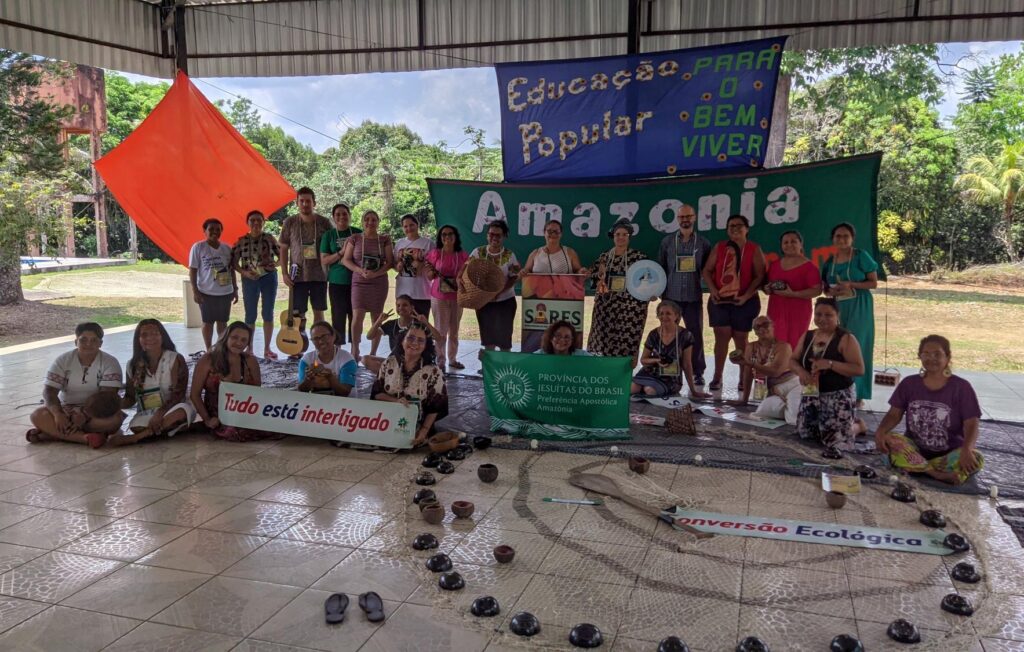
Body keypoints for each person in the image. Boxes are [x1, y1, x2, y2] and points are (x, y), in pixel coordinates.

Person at [874, 335, 983, 485]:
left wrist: (967, 450)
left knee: (977, 458)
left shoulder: (962, 387)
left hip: (949, 454)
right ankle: (935, 473)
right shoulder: (909, 383)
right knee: (889, 439)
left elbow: (971, 423)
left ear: (948, 357)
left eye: (937, 354)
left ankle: (916, 467)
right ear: (919, 356)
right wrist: (880, 432)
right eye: (926, 354)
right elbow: (894, 414)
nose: (931, 358)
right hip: (914, 449)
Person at [27, 322, 124, 448]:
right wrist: (58, 414)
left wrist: (85, 415)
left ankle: (51, 435)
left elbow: (107, 396)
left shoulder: (110, 362)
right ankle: (84, 438)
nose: (88, 344)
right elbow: (49, 391)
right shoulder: (63, 360)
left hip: (96, 413)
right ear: (75, 342)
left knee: (115, 420)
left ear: (100, 343)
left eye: (94, 340)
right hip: (66, 410)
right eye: (83, 340)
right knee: (37, 415)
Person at [790, 298, 865, 458]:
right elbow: (792, 360)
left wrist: (830, 364)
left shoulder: (846, 339)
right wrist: (801, 372)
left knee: (835, 442)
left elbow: (859, 369)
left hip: (838, 396)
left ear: (837, 316)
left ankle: (857, 426)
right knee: (806, 434)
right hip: (811, 393)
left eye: (828, 315)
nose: (822, 319)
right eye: (818, 314)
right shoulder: (808, 335)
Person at [702, 214, 766, 392]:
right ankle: (717, 377)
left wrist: (746, 296)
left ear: (747, 229)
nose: (735, 228)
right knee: (721, 337)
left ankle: (743, 377)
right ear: (727, 230)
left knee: (741, 338)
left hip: (745, 301)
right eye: (731, 226)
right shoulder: (720, 247)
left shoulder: (754, 248)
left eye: (739, 225)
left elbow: (760, 276)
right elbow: (707, 270)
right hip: (720, 300)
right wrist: (713, 290)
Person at [820, 222, 878, 403]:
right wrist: (831, 291)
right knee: (837, 345)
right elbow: (825, 288)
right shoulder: (830, 261)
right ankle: (838, 390)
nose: (842, 239)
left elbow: (873, 283)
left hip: (859, 305)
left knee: (858, 344)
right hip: (837, 307)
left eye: (846, 236)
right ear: (832, 239)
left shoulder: (861, 256)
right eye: (838, 236)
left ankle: (858, 394)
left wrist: (851, 284)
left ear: (852, 238)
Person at [114, 319, 196, 446]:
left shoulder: (174, 358)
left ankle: (138, 437)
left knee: (182, 412)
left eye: (155, 333)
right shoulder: (132, 365)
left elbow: (178, 395)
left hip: (172, 409)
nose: (150, 338)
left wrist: (160, 413)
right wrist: (113, 403)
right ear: (138, 340)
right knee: (135, 425)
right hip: (148, 412)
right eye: (144, 335)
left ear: (162, 336)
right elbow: (130, 398)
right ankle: (165, 430)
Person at [190, 321, 275, 442]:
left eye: (244, 340)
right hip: (218, 414)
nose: (239, 343)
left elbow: (256, 393)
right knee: (235, 431)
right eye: (235, 337)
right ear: (226, 337)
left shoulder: (250, 361)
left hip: (244, 411)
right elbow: (194, 394)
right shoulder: (208, 360)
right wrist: (207, 419)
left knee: (277, 425)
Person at [659, 204, 712, 386]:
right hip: (671, 298)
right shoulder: (667, 242)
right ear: (677, 219)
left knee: (695, 334)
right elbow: (661, 268)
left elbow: (708, 270)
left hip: (693, 297)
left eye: (688, 216)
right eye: (682, 217)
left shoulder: (703, 243)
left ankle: (698, 372)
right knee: (668, 334)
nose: (685, 220)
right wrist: (662, 296)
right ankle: (667, 369)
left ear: (694, 217)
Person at [371, 324, 449, 447]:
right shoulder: (389, 363)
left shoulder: (433, 372)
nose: (415, 343)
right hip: (385, 423)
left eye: (421, 340)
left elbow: (436, 406)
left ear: (426, 346)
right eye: (410, 338)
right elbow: (376, 394)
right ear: (402, 340)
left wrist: (423, 431)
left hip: (418, 427)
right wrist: (395, 401)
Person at [588, 219, 649, 363]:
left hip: (630, 311)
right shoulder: (604, 257)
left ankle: (623, 373)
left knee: (626, 345)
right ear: (613, 236)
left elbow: (647, 281)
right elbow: (594, 279)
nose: (621, 237)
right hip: (606, 308)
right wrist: (598, 278)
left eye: (624, 234)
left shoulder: (639, 258)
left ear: (629, 237)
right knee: (602, 344)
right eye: (618, 234)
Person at [344, 210, 395, 363]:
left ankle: (373, 352)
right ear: (362, 221)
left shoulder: (384, 239)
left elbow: (390, 262)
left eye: (373, 219)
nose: (370, 222)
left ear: (378, 222)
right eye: (367, 219)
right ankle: (355, 349)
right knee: (357, 316)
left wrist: (376, 274)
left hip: (378, 283)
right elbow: (346, 260)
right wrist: (360, 271)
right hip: (359, 282)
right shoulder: (355, 238)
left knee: (376, 318)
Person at [631, 301, 710, 399]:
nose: (664, 316)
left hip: (671, 378)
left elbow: (687, 364)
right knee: (632, 389)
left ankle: (646, 391)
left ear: (676, 316)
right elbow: (643, 360)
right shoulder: (653, 334)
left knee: (650, 390)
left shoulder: (685, 335)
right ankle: (643, 390)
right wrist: (657, 360)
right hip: (650, 373)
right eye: (661, 314)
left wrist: (693, 390)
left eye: (668, 313)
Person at [730, 315, 801, 425]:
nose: (762, 328)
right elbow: (748, 374)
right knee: (762, 411)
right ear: (754, 331)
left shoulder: (784, 347)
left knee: (792, 419)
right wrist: (744, 400)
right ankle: (796, 407)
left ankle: (798, 406)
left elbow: (775, 372)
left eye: (765, 324)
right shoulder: (751, 347)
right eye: (757, 327)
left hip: (793, 385)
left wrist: (750, 363)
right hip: (774, 390)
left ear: (772, 326)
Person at [279, 187, 333, 326]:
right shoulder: (289, 222)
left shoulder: (324, 222)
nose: (305, 204)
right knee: (298, 315)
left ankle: (319, 339)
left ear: (314, 203)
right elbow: (283, 248)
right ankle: (300, 340)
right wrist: (284, 273)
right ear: (297, 203)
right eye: (301, 201)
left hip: (319, 275)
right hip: (297, 276)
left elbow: (332, 246)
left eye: (308, 201)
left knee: (319, 313)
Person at [232, 210, 280, 358]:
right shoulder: (241, 241)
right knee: (250, 315)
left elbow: (283, 256)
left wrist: (275, 265)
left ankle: (267, 348)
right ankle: (249, 348)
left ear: (263, 222)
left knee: (268, 312)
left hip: (268, 278)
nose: (256, 223)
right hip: (249, 279)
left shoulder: (270, 238)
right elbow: (234, 262)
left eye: (259, 220)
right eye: (252, 220)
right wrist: (244, 273)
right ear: (247, 222)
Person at [764, 230, 821, 350]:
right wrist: (767, 289)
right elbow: (768, 285)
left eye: (793, 241)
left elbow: (817, 290)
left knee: (794, 346)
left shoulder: (809, 267)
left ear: (801, 244)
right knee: (774, 345)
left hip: (798, 313)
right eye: (786, 242)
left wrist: (793, 294)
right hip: (775, 310)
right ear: (781, 246)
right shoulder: (774, 265)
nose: (789, 244)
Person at [469, 220, 520, 354]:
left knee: (504, 340)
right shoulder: (477, 252)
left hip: (505, 302)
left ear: (504, 237)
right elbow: (466, 271)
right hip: (484, 303)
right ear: (487, 235)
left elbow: (514, 277)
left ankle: (504, 365)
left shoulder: (510, 255)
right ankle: (489, 365)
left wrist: (498, 292)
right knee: (488, 339)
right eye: (491, 234)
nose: (494, 238)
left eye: (498, 235)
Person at [425, 225, 469, 372]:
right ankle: (440, 360)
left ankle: (453, 359)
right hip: (439, 297)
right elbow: (429, 276)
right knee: (440, 331)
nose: (447, 237)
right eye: (444, 234)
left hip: (457, 297)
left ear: (456, 236)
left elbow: (467, 275)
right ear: (440, 237)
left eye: (450, 234)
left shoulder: (463, 255)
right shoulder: (435, 253)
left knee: (454, 331)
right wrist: (431, 273)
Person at [189, 218, 237, 352]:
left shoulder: (227, 248)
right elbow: (193, 270)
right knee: (207, 322)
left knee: (222, 322)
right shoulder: (198, 247)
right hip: (206, 292)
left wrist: (235, 289)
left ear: (222, 231)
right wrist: (195, 291)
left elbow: (232, 270)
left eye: (218, 229)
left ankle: (221, 348)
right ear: (204, 231)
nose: (215, 232)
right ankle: (209, 349)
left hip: (225, 292)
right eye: (211, 229)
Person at [363, 294, 441, 374]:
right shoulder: (392, 324)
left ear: (412, 308)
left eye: (405, 305)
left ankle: (395, 374)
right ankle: (395, 374)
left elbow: (439, 338)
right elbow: (369, 336)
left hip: (414, 363)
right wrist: (378, 321)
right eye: (398, 305)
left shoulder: (418, 324)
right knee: (366, 359)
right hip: (395, 361)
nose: (401, 308)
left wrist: (426, 323)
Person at [320, 203, 362, 345]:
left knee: (355, 316)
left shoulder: (358, 233)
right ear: (333, 217)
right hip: (336, 282)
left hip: (356, 282)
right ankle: (337, 349)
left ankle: (354, 349)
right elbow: (324, 260)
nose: (341, 217)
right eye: (337, 214)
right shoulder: (329, 235)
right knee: (338, 317)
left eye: (344, 213)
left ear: (349, 215)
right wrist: (341, 253)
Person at [297, 321, 357, 397]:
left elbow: (345, 392)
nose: (321, 341)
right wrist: (308, 378)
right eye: (316, 338)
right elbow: (301, 390)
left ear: (333, 336)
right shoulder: (306, 360)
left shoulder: (347, 360)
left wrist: (330, 376)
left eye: (324, 336)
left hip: (345, 403)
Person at [393, 214, 435, 317]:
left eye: (411, 225)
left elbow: (434, 266)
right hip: (403, 292)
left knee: (421, 323)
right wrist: (397, 266)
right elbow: (394, 264)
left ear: (417, 225)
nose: (409, 228)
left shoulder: (428, 243)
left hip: (422, 292)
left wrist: (422, 265)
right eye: (405, 226)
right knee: (404, 323)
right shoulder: (399, 243)